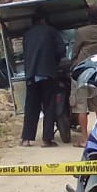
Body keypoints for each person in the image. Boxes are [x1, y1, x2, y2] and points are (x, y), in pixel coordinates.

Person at [20, 11, 65, 147]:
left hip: (31, 75)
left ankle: (26, 139)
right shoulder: (51, 31)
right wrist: (54, 62)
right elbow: (61, 50)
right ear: (44, 20)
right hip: (47, 74)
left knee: (31, 107)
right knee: (49, 106)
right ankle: (46, 139)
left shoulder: (27, 35)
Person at [71, 4, 97, 140]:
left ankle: (84, 138)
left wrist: (72, 61)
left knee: (81, 107)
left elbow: (75, 50)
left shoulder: (81, 32)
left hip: (82, 72)